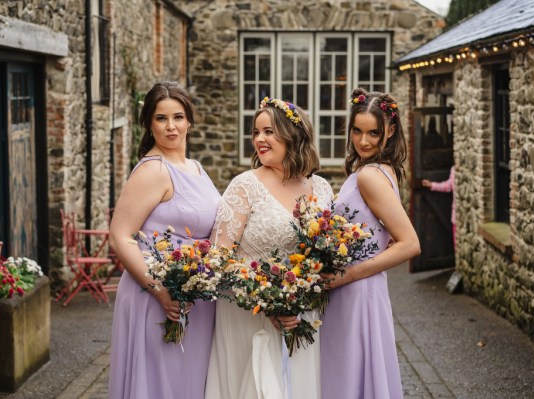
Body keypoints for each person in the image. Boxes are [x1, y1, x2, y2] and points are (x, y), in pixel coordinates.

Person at [204, 97, 333, 399]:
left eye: (269, 132)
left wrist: (300, 296)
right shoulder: (244, 186)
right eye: (256, 132)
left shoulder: (322, 188)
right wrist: (269, 300)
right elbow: (219, 258)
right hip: (248, 313)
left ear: (293, 135)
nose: (259, 139)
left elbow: (326, 253)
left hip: (302, 313)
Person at [108, 81, 221, 399]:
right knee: (163, 383)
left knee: (189, 382)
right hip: (157, 296)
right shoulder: (153, 170)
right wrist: (159, 291)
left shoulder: (195, 168)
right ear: (149, 123)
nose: (171, 126)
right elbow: (120, 237)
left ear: (189, 121)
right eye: (161, 118)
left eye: (178, 117)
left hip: (196, 296)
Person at [320, 88, 421, 399]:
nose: (363, 141)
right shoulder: (375, 170)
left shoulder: (369, 177)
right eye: (357, 131)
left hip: (356, 289)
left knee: (346, 378)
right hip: (359, 288)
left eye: (373, 133)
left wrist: (350, 274)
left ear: (389, 131)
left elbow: (409, 244)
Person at [422, 166, 456, 248]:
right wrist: (431, 185)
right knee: (457, 246)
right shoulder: (454, 169)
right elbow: (448, 186)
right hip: (456, 216)